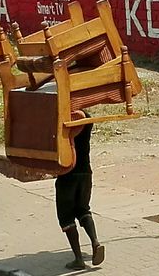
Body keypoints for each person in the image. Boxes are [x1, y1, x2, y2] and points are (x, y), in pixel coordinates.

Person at [55, 111, 105, 270]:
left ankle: (78, 259)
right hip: (86, 173)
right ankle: (95, 242)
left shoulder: (61, 121)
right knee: (83, 209)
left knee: (66, 216)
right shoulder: (88, 119)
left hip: (67, 175)